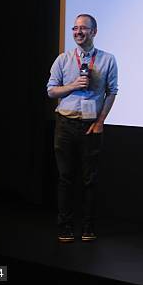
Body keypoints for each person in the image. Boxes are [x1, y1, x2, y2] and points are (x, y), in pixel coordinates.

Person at [47, 14, 118, 243]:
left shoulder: (107, 59)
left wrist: (100, 122)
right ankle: (65, 226)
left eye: (83, 28)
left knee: (90, 179)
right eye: (75, 28)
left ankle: (88, 226)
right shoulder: (63, 59)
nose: (78, 32)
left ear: (94, 32)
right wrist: (72, 86)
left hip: (91, 125)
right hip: (65, 123)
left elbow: (112, 92)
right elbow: (51, 91)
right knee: (65, 177)